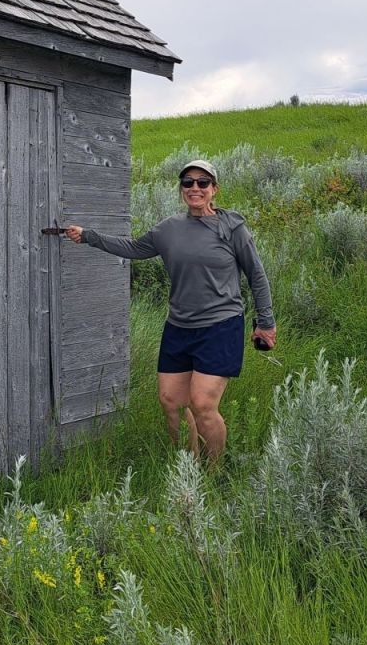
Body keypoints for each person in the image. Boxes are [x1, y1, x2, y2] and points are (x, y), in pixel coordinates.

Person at [65, 159, 276, 465]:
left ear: (214, 189)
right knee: (172, 403)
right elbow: (134, 248)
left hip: (220, 326)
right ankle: (188, 470)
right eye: (188, 182)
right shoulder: (168, 230)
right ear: (181, 190)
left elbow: (257, 275)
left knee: (203, 404)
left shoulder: (232, 227)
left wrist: (266, 323)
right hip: (179, 327)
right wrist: (88, 236)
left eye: (203, 183)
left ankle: (212, 473)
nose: (195, 188)